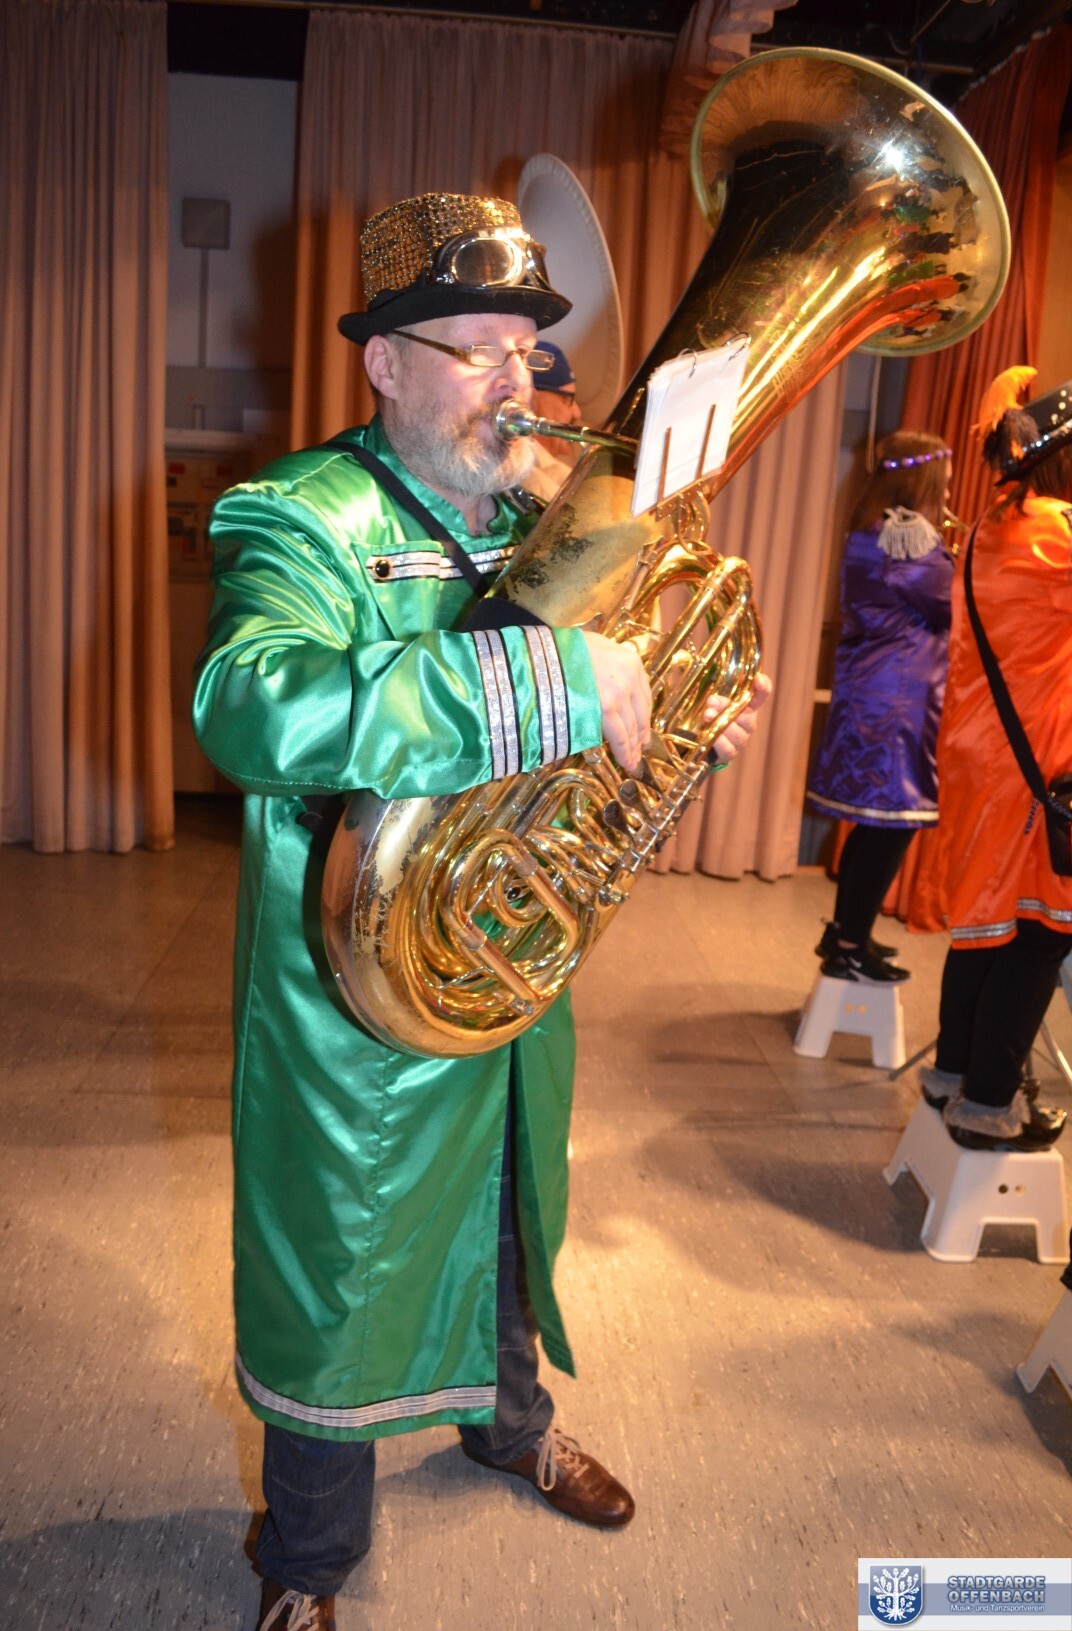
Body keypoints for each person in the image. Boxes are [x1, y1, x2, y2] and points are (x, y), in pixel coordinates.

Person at [191, 190, 770, 1631]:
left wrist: (675, 721)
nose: (518, 382)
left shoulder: (547, 520)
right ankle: (308, 1561)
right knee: (339, 1270)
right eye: (479, 351)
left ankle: (511, 1427)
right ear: (385, 363)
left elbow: (594, 748)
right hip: (354, 998)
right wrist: (556, 678)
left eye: (527, 350)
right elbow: (248, 705)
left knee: (511, 1215)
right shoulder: (297, 515)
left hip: (504, 964)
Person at [917, 367, 1072, 1152]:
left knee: (986, 925)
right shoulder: (1058, 532)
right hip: (1035, 768)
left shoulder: (988, 527)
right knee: (1041, 932)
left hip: (983, 756)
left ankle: (952, 1073)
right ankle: (986, 1102)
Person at [806, 431, 955, 983]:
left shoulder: (877, 531)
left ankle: (847, 932)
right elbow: (956, 605)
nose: (948, 492)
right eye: (943, 483)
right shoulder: (907, 540)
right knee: (891, 828)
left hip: (876, 695)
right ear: (922, 483)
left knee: (875, 827)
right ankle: (849, 945)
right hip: (898, 704)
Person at [525, 340, 583, 502]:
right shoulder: (531, 482)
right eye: (568, 399)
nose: (577, 413)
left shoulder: (556, 472)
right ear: (531, 401)